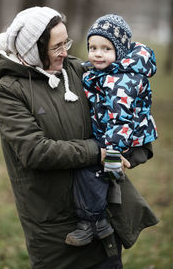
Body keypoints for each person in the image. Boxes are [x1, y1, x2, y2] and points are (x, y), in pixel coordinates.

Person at [0, 6, 158, 269]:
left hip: (103, 214)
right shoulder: (10, 92)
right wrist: (98, 152)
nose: (65, 52)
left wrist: (129, 150)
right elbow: (34, 151)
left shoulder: (78, 72)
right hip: (55, 228)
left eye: (66, 42)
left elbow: (122, 107)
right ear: (33, 49)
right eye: (57, 47)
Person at [65, 14, 158, 247]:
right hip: (111, 136)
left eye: (106, 48)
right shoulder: (106, 72)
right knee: (92, 168)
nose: (97, 53)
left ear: (121, 52)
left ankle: (94, 222)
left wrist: (113, 155)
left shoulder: (122, 81)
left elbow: (121, 121)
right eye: (92, 47)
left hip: (126, 140)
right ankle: (101, 223)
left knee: (92, 171)